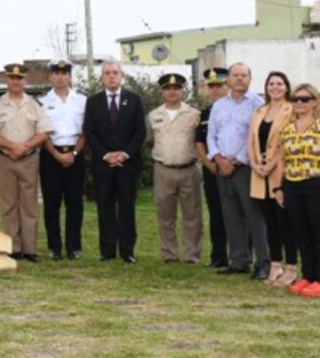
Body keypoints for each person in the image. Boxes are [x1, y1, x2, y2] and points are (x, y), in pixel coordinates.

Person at [273, 83, 320, 298]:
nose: (299, 103)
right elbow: (282, 160)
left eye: (304, 98)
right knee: (302, 233)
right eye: (295, 99)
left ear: (314, 101)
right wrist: (279, 187)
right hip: (293, 185)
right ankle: (308, 276)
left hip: (317, 183)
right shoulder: (288, 128)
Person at [0, 64, 53, 261]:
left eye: (19, 78)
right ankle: (13, 247)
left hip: (29, 159)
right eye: (12, 78)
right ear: (7, 80)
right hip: (5, 160)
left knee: (29, 205)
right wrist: (12, 147)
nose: (16, 82)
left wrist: (25, 146)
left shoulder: (35, 105)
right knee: (9, 205)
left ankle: (30, 249)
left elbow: (44, 132)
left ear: (25, 81)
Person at [206, 63, 270, 279]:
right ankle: (239, 260)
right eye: (236, 75)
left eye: (244, 75)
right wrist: (217, 158)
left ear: (250, 79)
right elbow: (211, 135)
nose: (239, 79)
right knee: (231, 216)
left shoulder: (258, 104)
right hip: (222, 167)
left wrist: (238, 161)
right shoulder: (219, 105)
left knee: (254, 216)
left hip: (245, 167)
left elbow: (256, 137)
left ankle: (263, 262)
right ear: (229, 80)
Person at [82, 60, 146, 263]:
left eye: (115, 72)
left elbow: (139, 132)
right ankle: (107, 250)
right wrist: (106, 155)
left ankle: (127, 250)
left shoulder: (134, 100)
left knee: (127, 207)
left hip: (127, 164)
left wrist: (124, 154)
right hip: (103, 165)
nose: (111, 76)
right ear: (102, 77)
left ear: (121, 76)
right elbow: (89, 132)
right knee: (105, 207)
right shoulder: (93, 102)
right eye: (107, 73)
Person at [146, 74, 203, 264]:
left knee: (192, 214)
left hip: (189, 168)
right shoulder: (154, 115)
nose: (172, 92)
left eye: (176, 88)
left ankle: (191, 255)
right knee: (165, 214)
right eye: (168, 88)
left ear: (182, 91)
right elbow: (149, 141)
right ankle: (169, 253)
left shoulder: (194, 114)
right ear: (163, 91)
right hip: (163, 169)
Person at [247, 71, 295, 285]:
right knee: (270, 222)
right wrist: (255, 163)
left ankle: (292, 266)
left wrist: (272, 164)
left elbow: (288, 141)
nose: (275, 87)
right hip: (259, 173)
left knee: (285, 220)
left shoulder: (291, 110)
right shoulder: (260, 111)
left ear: (286, 87)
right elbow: (250, 141)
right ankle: (275, 264)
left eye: (279, 83)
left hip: (280, 170)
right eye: (271, 84)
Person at [38, 59, 87, 260]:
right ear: (50, 76)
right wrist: (57, 155)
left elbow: (87, 131)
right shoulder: (42, 102)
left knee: (75, 203)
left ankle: (73, 247)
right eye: (56, 73)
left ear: (70, 76)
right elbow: (42, 133)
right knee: (52, 203)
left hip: (76, 154)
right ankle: (54, 247)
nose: (60, 77)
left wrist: (73, 153)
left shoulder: (82, 101)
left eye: (65, 73)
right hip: (51, 155)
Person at [195, 67, 230, 268]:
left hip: (235, 168)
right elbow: (199, 140)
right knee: (216, 214)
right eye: (212, 87)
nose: (215, 90)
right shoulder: (206, 112)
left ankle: (241, 254)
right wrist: (208, 163)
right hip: (212, 170)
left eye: (219, 86)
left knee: (239, 214)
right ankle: (218, 256)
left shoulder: (236, 108)